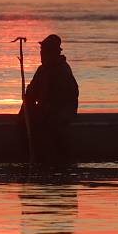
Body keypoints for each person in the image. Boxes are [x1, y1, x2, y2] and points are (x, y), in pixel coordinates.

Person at [24, 34, 79, 164]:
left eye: (44, 51)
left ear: (53, 52)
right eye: (41, 51)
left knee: (50, 127)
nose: (41, 55)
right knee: (27, 117)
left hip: (62, 113)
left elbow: (67, 97)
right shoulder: (42, 70)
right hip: (46, 111)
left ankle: (56, 157)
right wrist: (27, 104)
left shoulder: (62, 70)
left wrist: (47, 109)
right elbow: (32, 92)